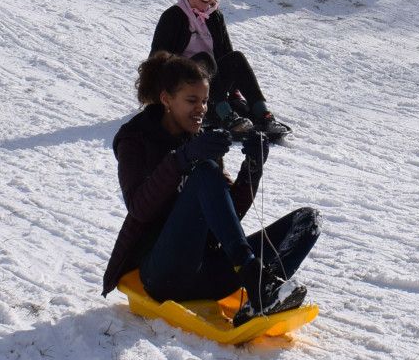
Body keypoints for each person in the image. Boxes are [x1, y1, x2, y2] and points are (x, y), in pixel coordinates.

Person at [100, 52, 318, 326]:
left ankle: (261, 297)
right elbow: (139, 208)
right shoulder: (135, 139)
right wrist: (181, 159)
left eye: (204, 101)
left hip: (206, 273)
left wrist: (252, 168)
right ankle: (256, 281)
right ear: (167, 99)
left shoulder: (199, 138)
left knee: (307, 221)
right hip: (162, 274)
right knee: (204, 173)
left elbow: (227, 215)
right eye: (192, 101)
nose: (202, 109)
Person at [150, 0, 293, 139]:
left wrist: (234, 94)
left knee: (236, 58)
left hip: (210, 83)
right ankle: (225, 116)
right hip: (180, 86)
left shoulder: (215, 16)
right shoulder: (172, 16)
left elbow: (226, 54)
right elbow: (157, 59)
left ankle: (264, 115)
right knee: (204, 58)